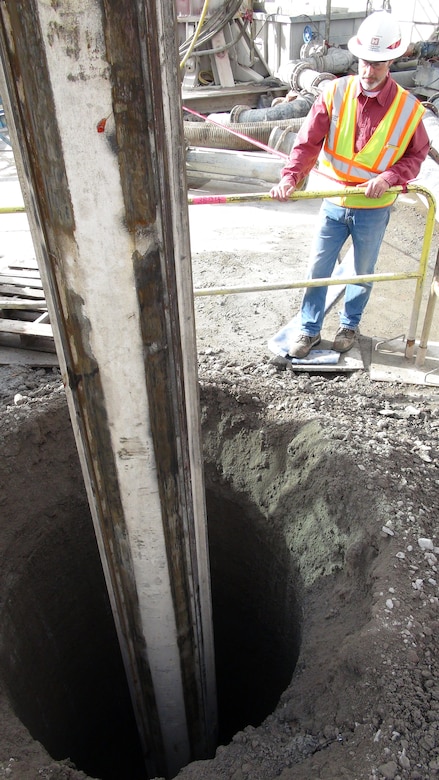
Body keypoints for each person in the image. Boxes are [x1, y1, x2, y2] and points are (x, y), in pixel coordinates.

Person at [270, 10, 430, 359]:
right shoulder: (334, 93)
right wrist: (290, 176)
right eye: (364, 62)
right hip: (334, 200)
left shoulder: (407, 108)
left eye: (376, 64)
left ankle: (348, 326)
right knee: (318, 267)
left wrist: (388, 177)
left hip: (373, 208)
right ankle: (309, 330)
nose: (368, 71)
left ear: (391, 61)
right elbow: (308, 141)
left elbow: (416, 155)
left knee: (362, 270)